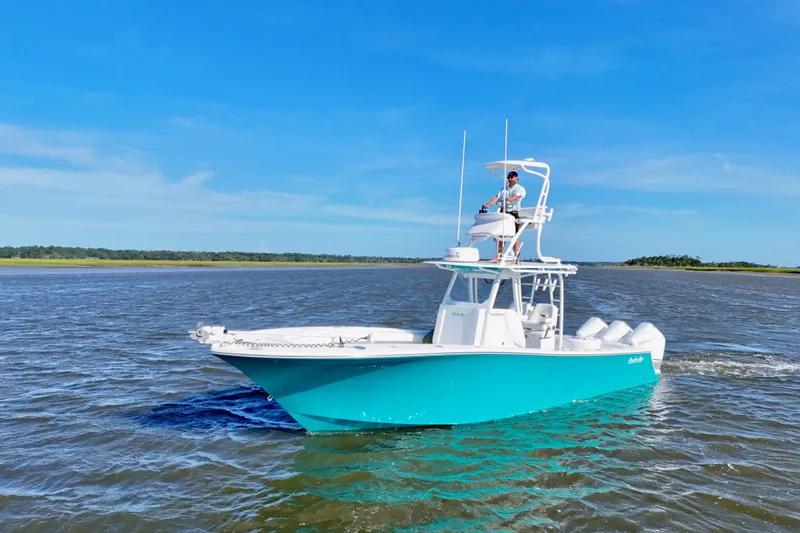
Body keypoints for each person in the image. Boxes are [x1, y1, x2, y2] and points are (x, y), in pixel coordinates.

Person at [481, 170, 526, 261]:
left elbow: (517, 197)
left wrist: (509, 199)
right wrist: (487, 204)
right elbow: (496, 198)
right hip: (503, 213)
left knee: (515, 235)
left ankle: (515, 256)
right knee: (500, 234)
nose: (510, 178)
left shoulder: (519, 188)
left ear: (516, 178)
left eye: (512, 177)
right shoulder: (503, 189)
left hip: (513, 213)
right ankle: (499, 255)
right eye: (508, 177)